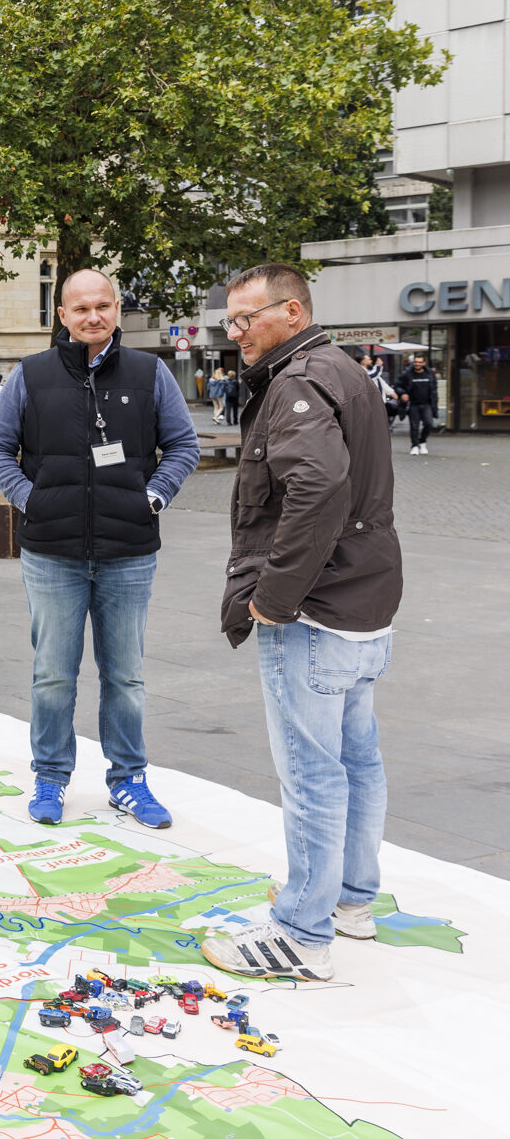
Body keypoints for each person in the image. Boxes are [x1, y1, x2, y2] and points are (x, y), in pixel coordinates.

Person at [205, 263, 401, 983]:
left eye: (246, 318)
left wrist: (274, 597)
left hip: (318, 610)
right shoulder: (344, 371)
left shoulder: (296, 382)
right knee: (357, 759)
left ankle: (300, 932)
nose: (236, 334)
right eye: (230, 321)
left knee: (314, 772)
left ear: (291, 311)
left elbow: (317, 486)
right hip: (364, 600)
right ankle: (349, 900)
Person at [0, 269, 201, 829]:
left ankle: (128, 780)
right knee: (53, 673)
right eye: (80, 308)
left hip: (128, 552)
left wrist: (153, 498)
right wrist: (32, 502)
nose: (92, 316)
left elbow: (182, 446)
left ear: (118, 309)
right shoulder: (30, 375)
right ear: (62, 315)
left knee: (124, 675)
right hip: (51, 554)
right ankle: (50, 778)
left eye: (103, 305)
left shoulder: (151, 373)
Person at [395, 353, 438, 455]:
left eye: (419, 362)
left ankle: (422, 442)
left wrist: (435, 403)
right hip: (413, 404)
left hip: (427, 403)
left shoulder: (430, 374)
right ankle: (414, 446)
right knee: (414, 426)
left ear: (424, 363)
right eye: (415, 362)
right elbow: (397, 386)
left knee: (429, 423)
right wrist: (403, 393)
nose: (417, 364)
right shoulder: (407, 374)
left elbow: (434, 390)